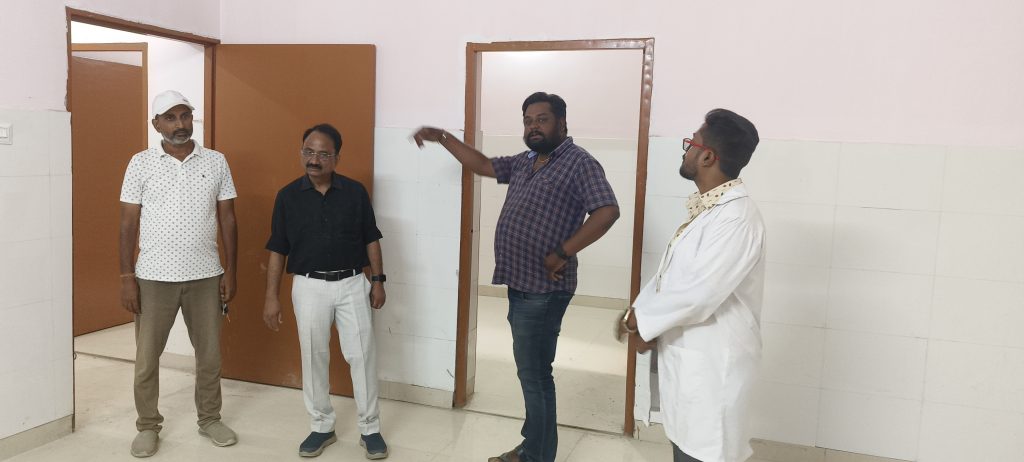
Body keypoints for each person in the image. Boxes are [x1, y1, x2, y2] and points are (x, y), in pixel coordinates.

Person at [413, 92, 620, 462]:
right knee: (533, 374)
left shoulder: (579, 163)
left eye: (542, 119)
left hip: (544, 290)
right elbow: (483, 164)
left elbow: (607, 211)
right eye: (528, 120)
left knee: (535, 376)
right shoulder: (527, 162)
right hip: (522, 285)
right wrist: (443, 137)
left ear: (562, 123)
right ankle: (532, 448)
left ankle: (536, 455)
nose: (533, 126)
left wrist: (563, 252)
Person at [622, 109, 765, 462]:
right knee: (686, 445)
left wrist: (641, 320)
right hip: (692, 363)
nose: (686, 150)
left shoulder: (735, 217)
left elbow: (700, 294)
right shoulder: (710, 211)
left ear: (707, 157)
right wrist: (640, 314)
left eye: (691, 143)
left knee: (704, 450)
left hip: (714, 368)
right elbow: (672, 277)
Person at [119, 90, 239, 458]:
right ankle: (147, 425)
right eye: (170, 118)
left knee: (210, 356)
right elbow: (128, 223)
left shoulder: (216, 161)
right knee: (146, 359)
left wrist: (231, 271)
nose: (180, 124)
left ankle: (210, 418)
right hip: (153, 277)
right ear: (156, 124)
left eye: (185, 116)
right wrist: (126, 277)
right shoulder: (140, 163)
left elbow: (228, 218)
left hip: (206, 275)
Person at [262, 123, 389, 459]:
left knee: (362, 355)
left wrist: (378, 280)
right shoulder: (288, 196)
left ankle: (370, 428)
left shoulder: (355, 192)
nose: (314, 160)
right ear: (301, 152)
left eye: (322, 154)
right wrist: (271, 296)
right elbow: (278, 249)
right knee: (314, 355)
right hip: (308, 286)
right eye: (308, 151)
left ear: (336, 158)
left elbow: (371, 237)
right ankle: (321, 425)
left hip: (352, 284)